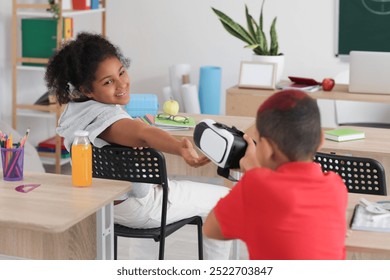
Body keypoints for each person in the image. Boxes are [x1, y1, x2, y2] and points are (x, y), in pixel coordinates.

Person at [44, 32, 231, 260]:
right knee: (226, 200)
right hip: (139, 208)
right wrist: (180, 148)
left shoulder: (75, 112)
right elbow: (143, 133)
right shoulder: (110, 123)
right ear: (87, 90)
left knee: (163, 190)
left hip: (104, 207)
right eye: (108, 82)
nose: (121, 83)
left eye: (121, 72)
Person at [203, 89, 348, 260]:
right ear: (321, 140)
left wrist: (254, 172)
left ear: (266, 148)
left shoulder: (255, 185)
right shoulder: (336, 186)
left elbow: (211, 229)